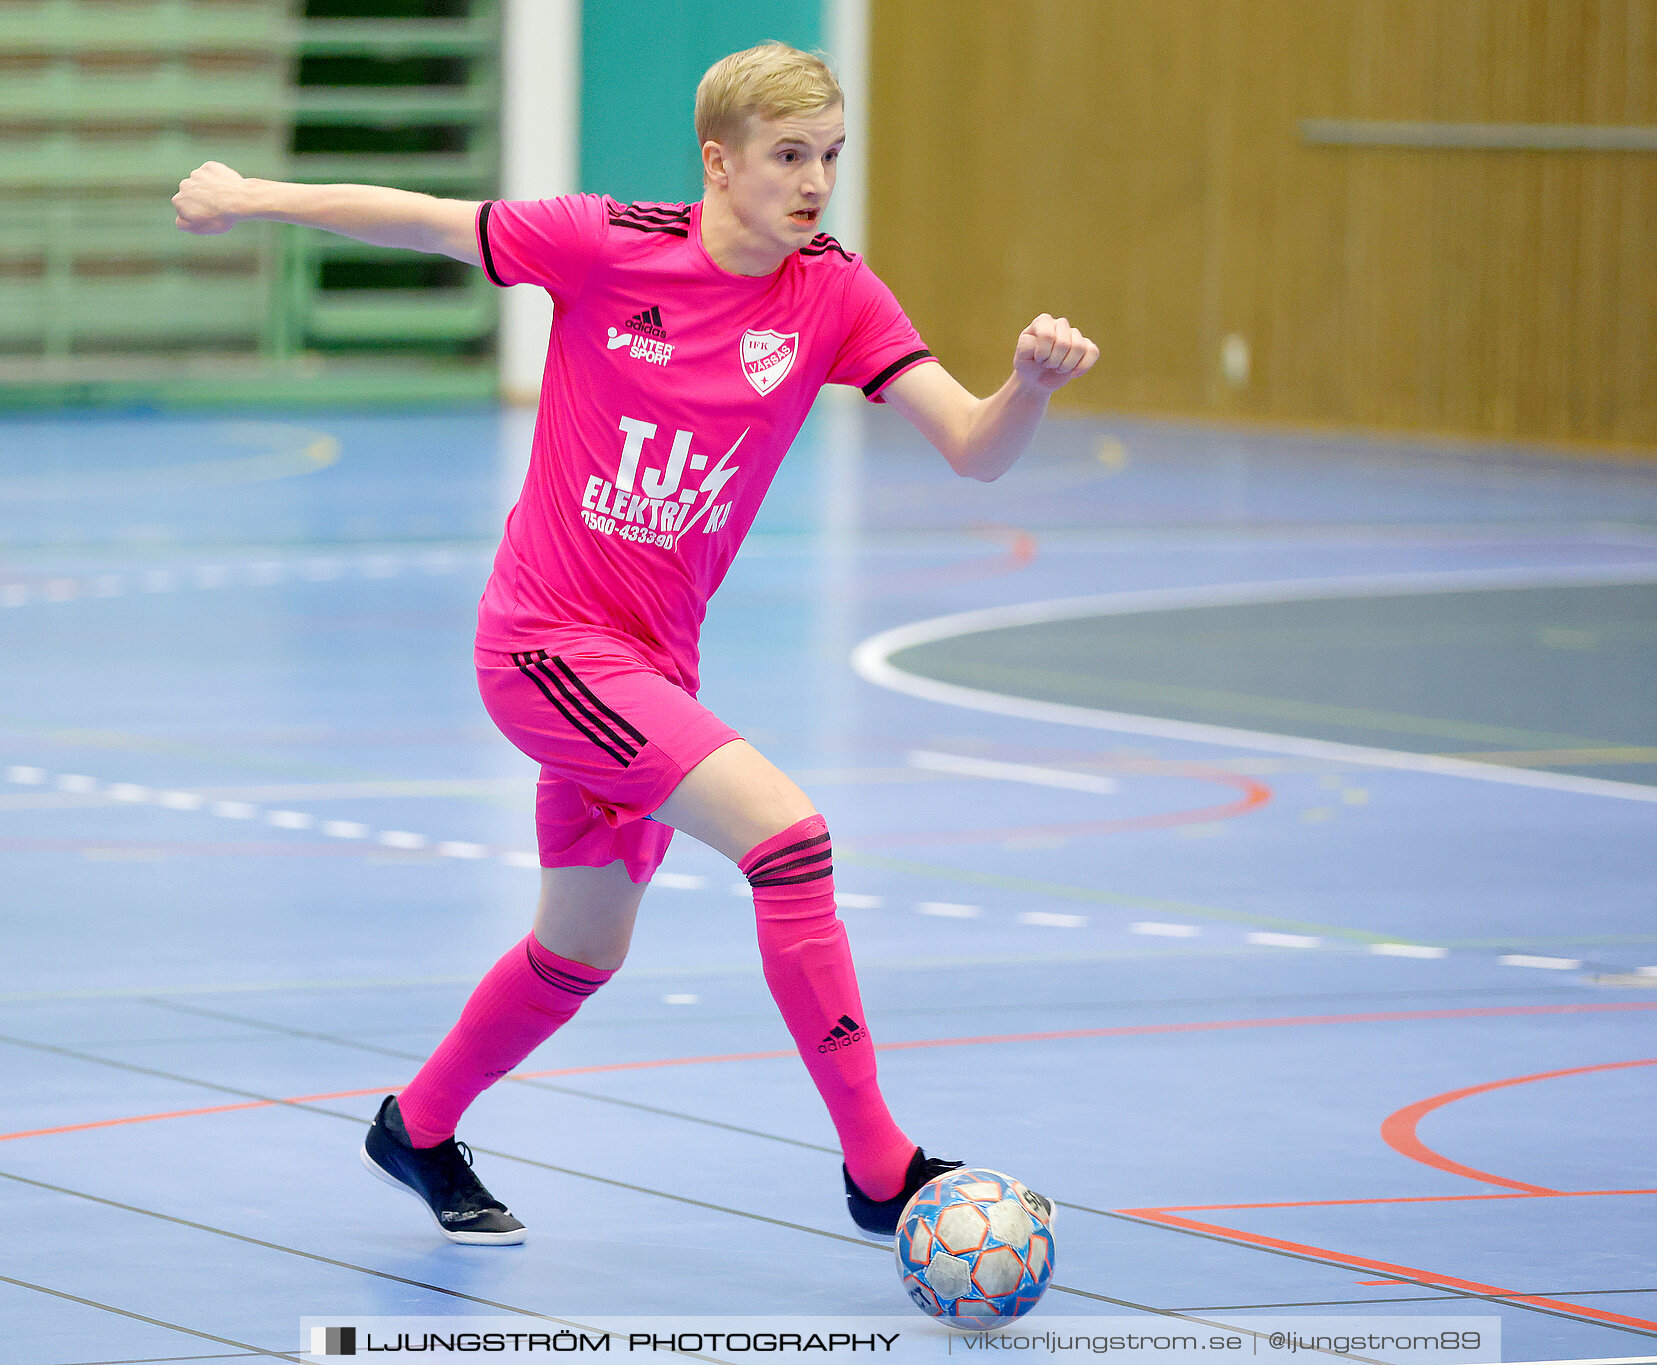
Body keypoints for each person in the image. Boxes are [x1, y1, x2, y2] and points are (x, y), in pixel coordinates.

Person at [173, 40, 1097, 1247]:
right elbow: (431, 219)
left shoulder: (835, 294)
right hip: (547, 651)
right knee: (792, 839)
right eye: (787, 157)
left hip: (651, 670)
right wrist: (253, 196)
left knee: (582, 948)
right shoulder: (607, 244)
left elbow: (975, 446)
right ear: (719, 162)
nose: (814, 181)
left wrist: (1027, 385)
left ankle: (420, 1125)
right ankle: (880, 1169)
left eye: (829, 156)